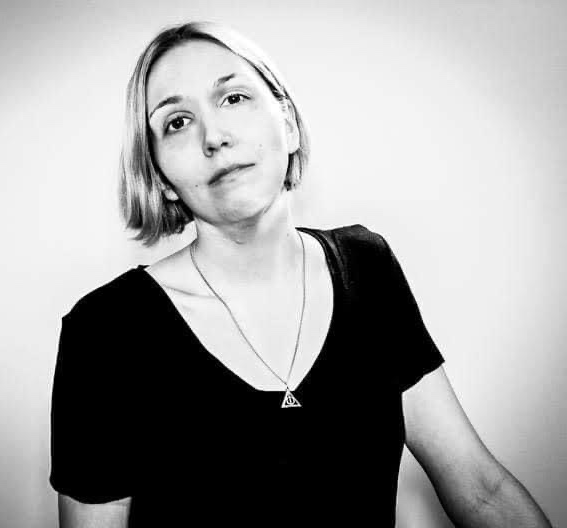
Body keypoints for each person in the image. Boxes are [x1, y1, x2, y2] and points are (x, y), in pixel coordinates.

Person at [49, 21, 554, 527]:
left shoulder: (368, 266)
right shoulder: (105, 332)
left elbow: (480, 489)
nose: (214, 137)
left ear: (287, 124)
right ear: (161, 177)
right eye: (177, 122)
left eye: (233, 98)